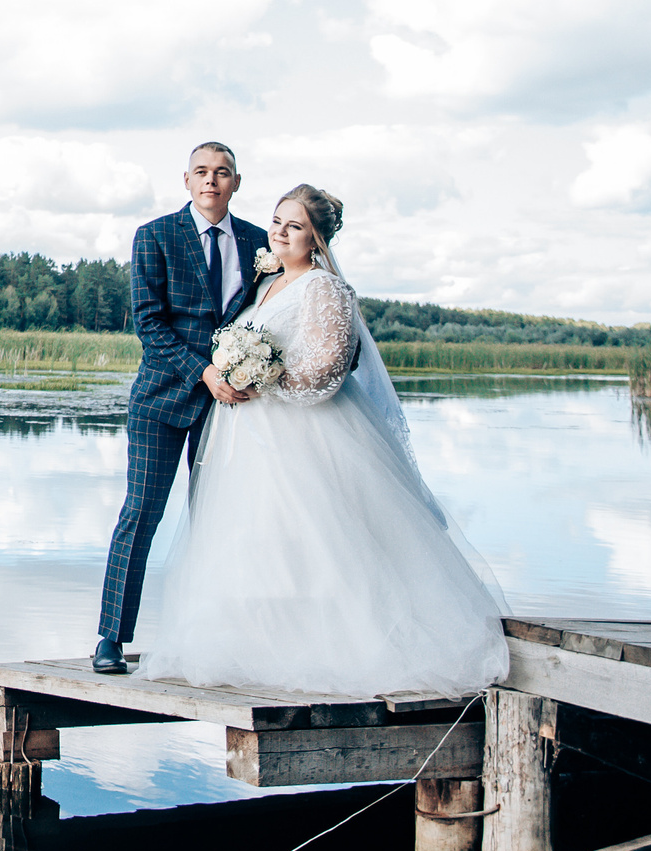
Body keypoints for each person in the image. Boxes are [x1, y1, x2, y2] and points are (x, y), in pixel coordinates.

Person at [133, 184, 509, 697]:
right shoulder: (266, 283)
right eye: (277, 221)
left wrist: (263, 377)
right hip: (248, 435)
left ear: (316, 238)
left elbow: (328, 369)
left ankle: (341, 649)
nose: (280, 232)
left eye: (295, 226)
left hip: (304, 434)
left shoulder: (323, 288)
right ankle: (258, 649)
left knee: (318, 537)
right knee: (256, 541)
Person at [91, 142, 269, 674]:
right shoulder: (155, 236)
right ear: (186, 181)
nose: (211, 181)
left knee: (221, 522)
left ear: (237, 183)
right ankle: (110, 638)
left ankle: (220, 639)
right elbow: (149, 323)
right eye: (201, 172)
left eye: (222, 173)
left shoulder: (260, 243)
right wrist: (206, 372)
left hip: (231, 410)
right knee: (140, 515)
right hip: (162, 400)